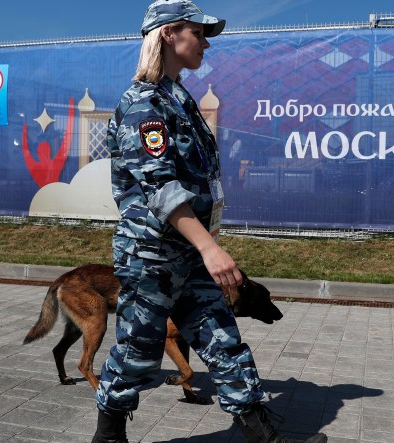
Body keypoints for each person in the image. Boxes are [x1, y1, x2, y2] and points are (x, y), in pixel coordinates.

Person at [92, 2, 328, 442]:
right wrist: (209, 247)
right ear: (168, 34)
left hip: (188, 252)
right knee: (137, 349)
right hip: (152, 255)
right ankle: (108, 437)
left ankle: (263, 435)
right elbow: (159, 188)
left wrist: (205, 242)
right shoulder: (143, 103)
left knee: (223, 339)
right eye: (198, 33)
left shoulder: (178, 98)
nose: (204, 42)